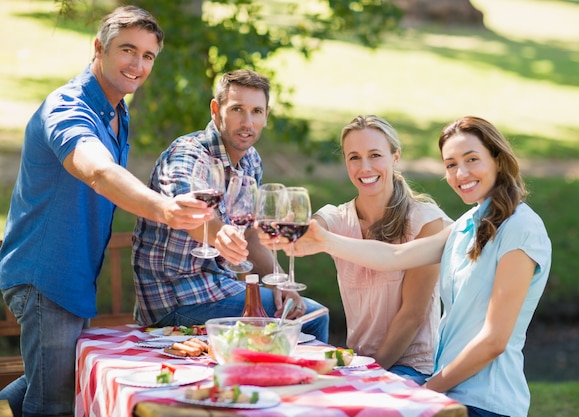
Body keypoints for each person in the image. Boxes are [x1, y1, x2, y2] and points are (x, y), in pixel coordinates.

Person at [0, 6, 215, 417]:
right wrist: (166, 209)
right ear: (98, 48)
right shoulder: (67, 108)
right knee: (54, 403)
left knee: (54, 377)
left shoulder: (117, 110)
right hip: (46, 278)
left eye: (148, 56)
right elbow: (98, 171)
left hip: (74, 280)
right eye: (127, 50)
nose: (137, 64)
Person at [262, 116, 552, 417]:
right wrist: (323, 241)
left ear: (498, 160)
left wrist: (425, 392)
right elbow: (396, 257)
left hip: (486, 402)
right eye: (451, 164)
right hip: (451, 395)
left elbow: (493, 340)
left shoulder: (520, 228)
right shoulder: (468, 225)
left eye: (472, 159)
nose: (460, 173)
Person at [131, 69, 329, 343]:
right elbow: (191, 217)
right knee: (312, 318)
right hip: (177, 299)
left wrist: (279, 281)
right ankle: (298, 382)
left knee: (302, 311)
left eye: (256, 112)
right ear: (216, 110)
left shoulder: (251, 161)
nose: (247, 122)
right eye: (237, 109)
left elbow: (250, 235)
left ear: (266, 115)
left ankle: (270, 382)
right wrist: (219, 233)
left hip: (221, 288)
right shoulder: (188, 154)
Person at [313, 115, 451, 384]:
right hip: (359, 362)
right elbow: (306, 230)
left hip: (413, 368)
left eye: (375, 155)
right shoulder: (339, 218)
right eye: (354, 157)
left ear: (395, 157)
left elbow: (413, 315)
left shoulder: (425, 221)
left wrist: (367, 375)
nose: (365, 167)